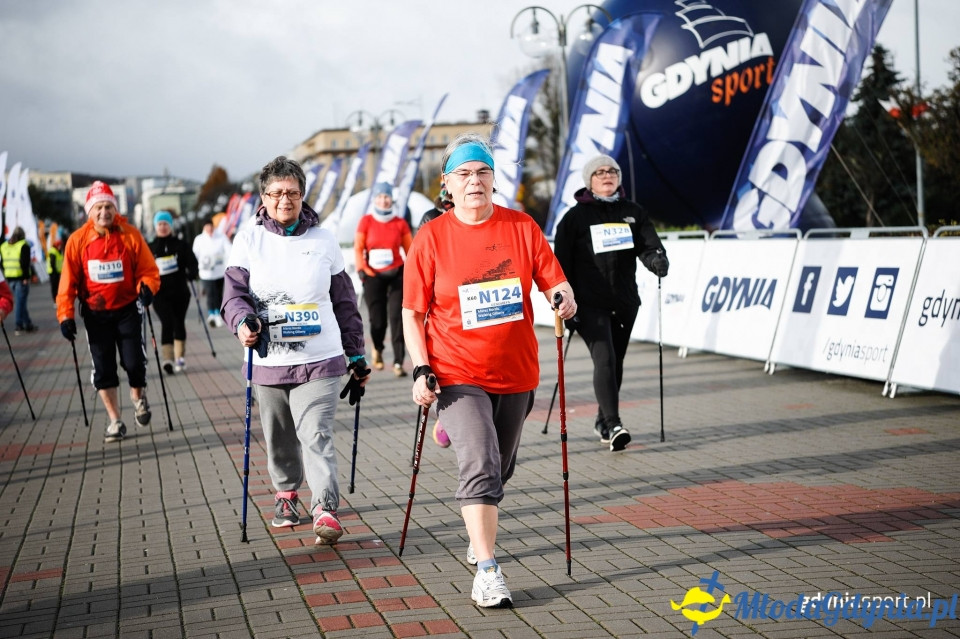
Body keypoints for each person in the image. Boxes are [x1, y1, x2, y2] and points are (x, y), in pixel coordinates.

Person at [402, 134, 577, 608]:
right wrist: (421, 369)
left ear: (494, 180)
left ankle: (477, 529)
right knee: (479, 463)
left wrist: (563, 296)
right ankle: (487, 568)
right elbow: (412, 313)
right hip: (456, 371)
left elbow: (555, 281)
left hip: (516, 371)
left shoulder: (522, 227)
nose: (474, 181)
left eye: (482, 172)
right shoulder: (432, 237)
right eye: (464, 174)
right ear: (448, 185)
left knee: (500, 467)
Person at [222, 156, 369, 544]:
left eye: (293, 192)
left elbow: (345, 303)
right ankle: (286, 494)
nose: (285, 199)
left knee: (315, 432)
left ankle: (324, 508)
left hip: (320, 360)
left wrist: (356, 354)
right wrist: (242, 323)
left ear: (303, 196)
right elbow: (233, 296)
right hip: (269, 360)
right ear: (263, 197)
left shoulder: (324, 240)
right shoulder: (249, 240)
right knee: (279, 435)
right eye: (277, 193)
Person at [553, 154, 669, 453]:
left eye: (612, 171)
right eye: (600, 172)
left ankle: (603, 420)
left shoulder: (633, 212)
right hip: (589, 304)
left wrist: (656, 259)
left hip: (625, 301)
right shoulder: (575, 218)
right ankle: (615, 423)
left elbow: (649, 245)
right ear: (589, 180)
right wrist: (565, 306)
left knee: (615, 361)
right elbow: (560, 264)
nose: (607, 176)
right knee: (604, 358)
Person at [56, 181, 161, 442]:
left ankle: (137, 397)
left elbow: (148, 271)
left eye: (108, 206)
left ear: (115, 209)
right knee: (103, 369)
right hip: (95, 313)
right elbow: (67, 283)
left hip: (127, 309)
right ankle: (115, 421)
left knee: (134, 362)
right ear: (89, 211)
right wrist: (65, 316)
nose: (104, 212)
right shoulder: (77, 241)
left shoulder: (129, 235)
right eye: (99, 207)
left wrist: (147, 288)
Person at [354, 181, 412, 377]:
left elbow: (410, 251)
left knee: (398, 318)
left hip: (396, 274)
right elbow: (358, 247)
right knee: (378, 320)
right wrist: (361, 268)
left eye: (386, 196)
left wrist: (411, 272)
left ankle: (398, 362)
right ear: (375, 199)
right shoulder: (366, 221)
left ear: (391, 199)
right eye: (380, 197)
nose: (383, 200)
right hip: (373, 275)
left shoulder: (400, 223)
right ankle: (377, 348)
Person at [148, 210, 198, 374]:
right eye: (160, 224)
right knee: (166, 322)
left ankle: (179, 357)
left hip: (180, 293)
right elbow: (145, 269)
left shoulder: (181, 245)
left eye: (165, 224)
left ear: (170, 226)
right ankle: (168, 359)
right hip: (159, 294)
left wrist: (191, 273)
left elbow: (192, 263)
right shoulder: (151, 247)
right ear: (155, 227)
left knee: (178, 323)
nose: (162, 227)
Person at [192, 216, 231, 328]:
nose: (209, 228)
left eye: (210, 226)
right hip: (206, 273)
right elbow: (195, 254)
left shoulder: (221, 237)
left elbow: (228, 250)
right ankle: (211, 314)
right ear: (204, 227)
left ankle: (218, 314)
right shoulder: (199, 239)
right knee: (210, 293)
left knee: (218, 293)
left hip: (219, 271)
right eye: (207, 226)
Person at [1, 226, 37, 334]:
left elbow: (2, 262)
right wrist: (26, 277)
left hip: (9, 278)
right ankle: (18, 325)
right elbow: (25, 264)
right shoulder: (23, 245)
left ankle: (28, 324)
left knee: (21, 302)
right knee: (20, 303)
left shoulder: (4, 246)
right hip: (21, 279)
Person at [47, 228, 66, 303]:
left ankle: (58, 299)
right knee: (54, 287)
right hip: (53, 272)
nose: (61, 247)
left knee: (58, 287)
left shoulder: (58, 251)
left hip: (58, 272)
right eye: (60, 245)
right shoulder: (53, 252)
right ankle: (55, 300)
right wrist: (55, 271)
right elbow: (52, 263)